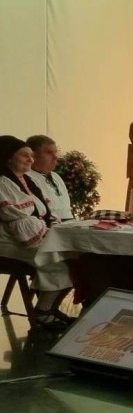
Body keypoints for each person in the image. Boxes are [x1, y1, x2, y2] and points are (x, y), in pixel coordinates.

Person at [0, 135, 72, 328]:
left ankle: (50, 307)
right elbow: (18, 221)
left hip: (29, 236)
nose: (30, 160)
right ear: (8, 157)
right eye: (25, 155)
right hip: (9, 242)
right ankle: (43, 311)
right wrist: (50, 234)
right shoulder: (2, 183)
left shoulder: (28, 181)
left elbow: (46, 213)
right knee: (59, 261)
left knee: (76, 257)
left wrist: (55, 229)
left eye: (31, 156)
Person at [24, 136, 74, 222]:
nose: (55, 157)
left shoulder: (56, 176)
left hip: (69, 223)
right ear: (34, 156)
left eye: (55, 152)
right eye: (49, 152)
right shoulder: (26, 178)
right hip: (49, 224)